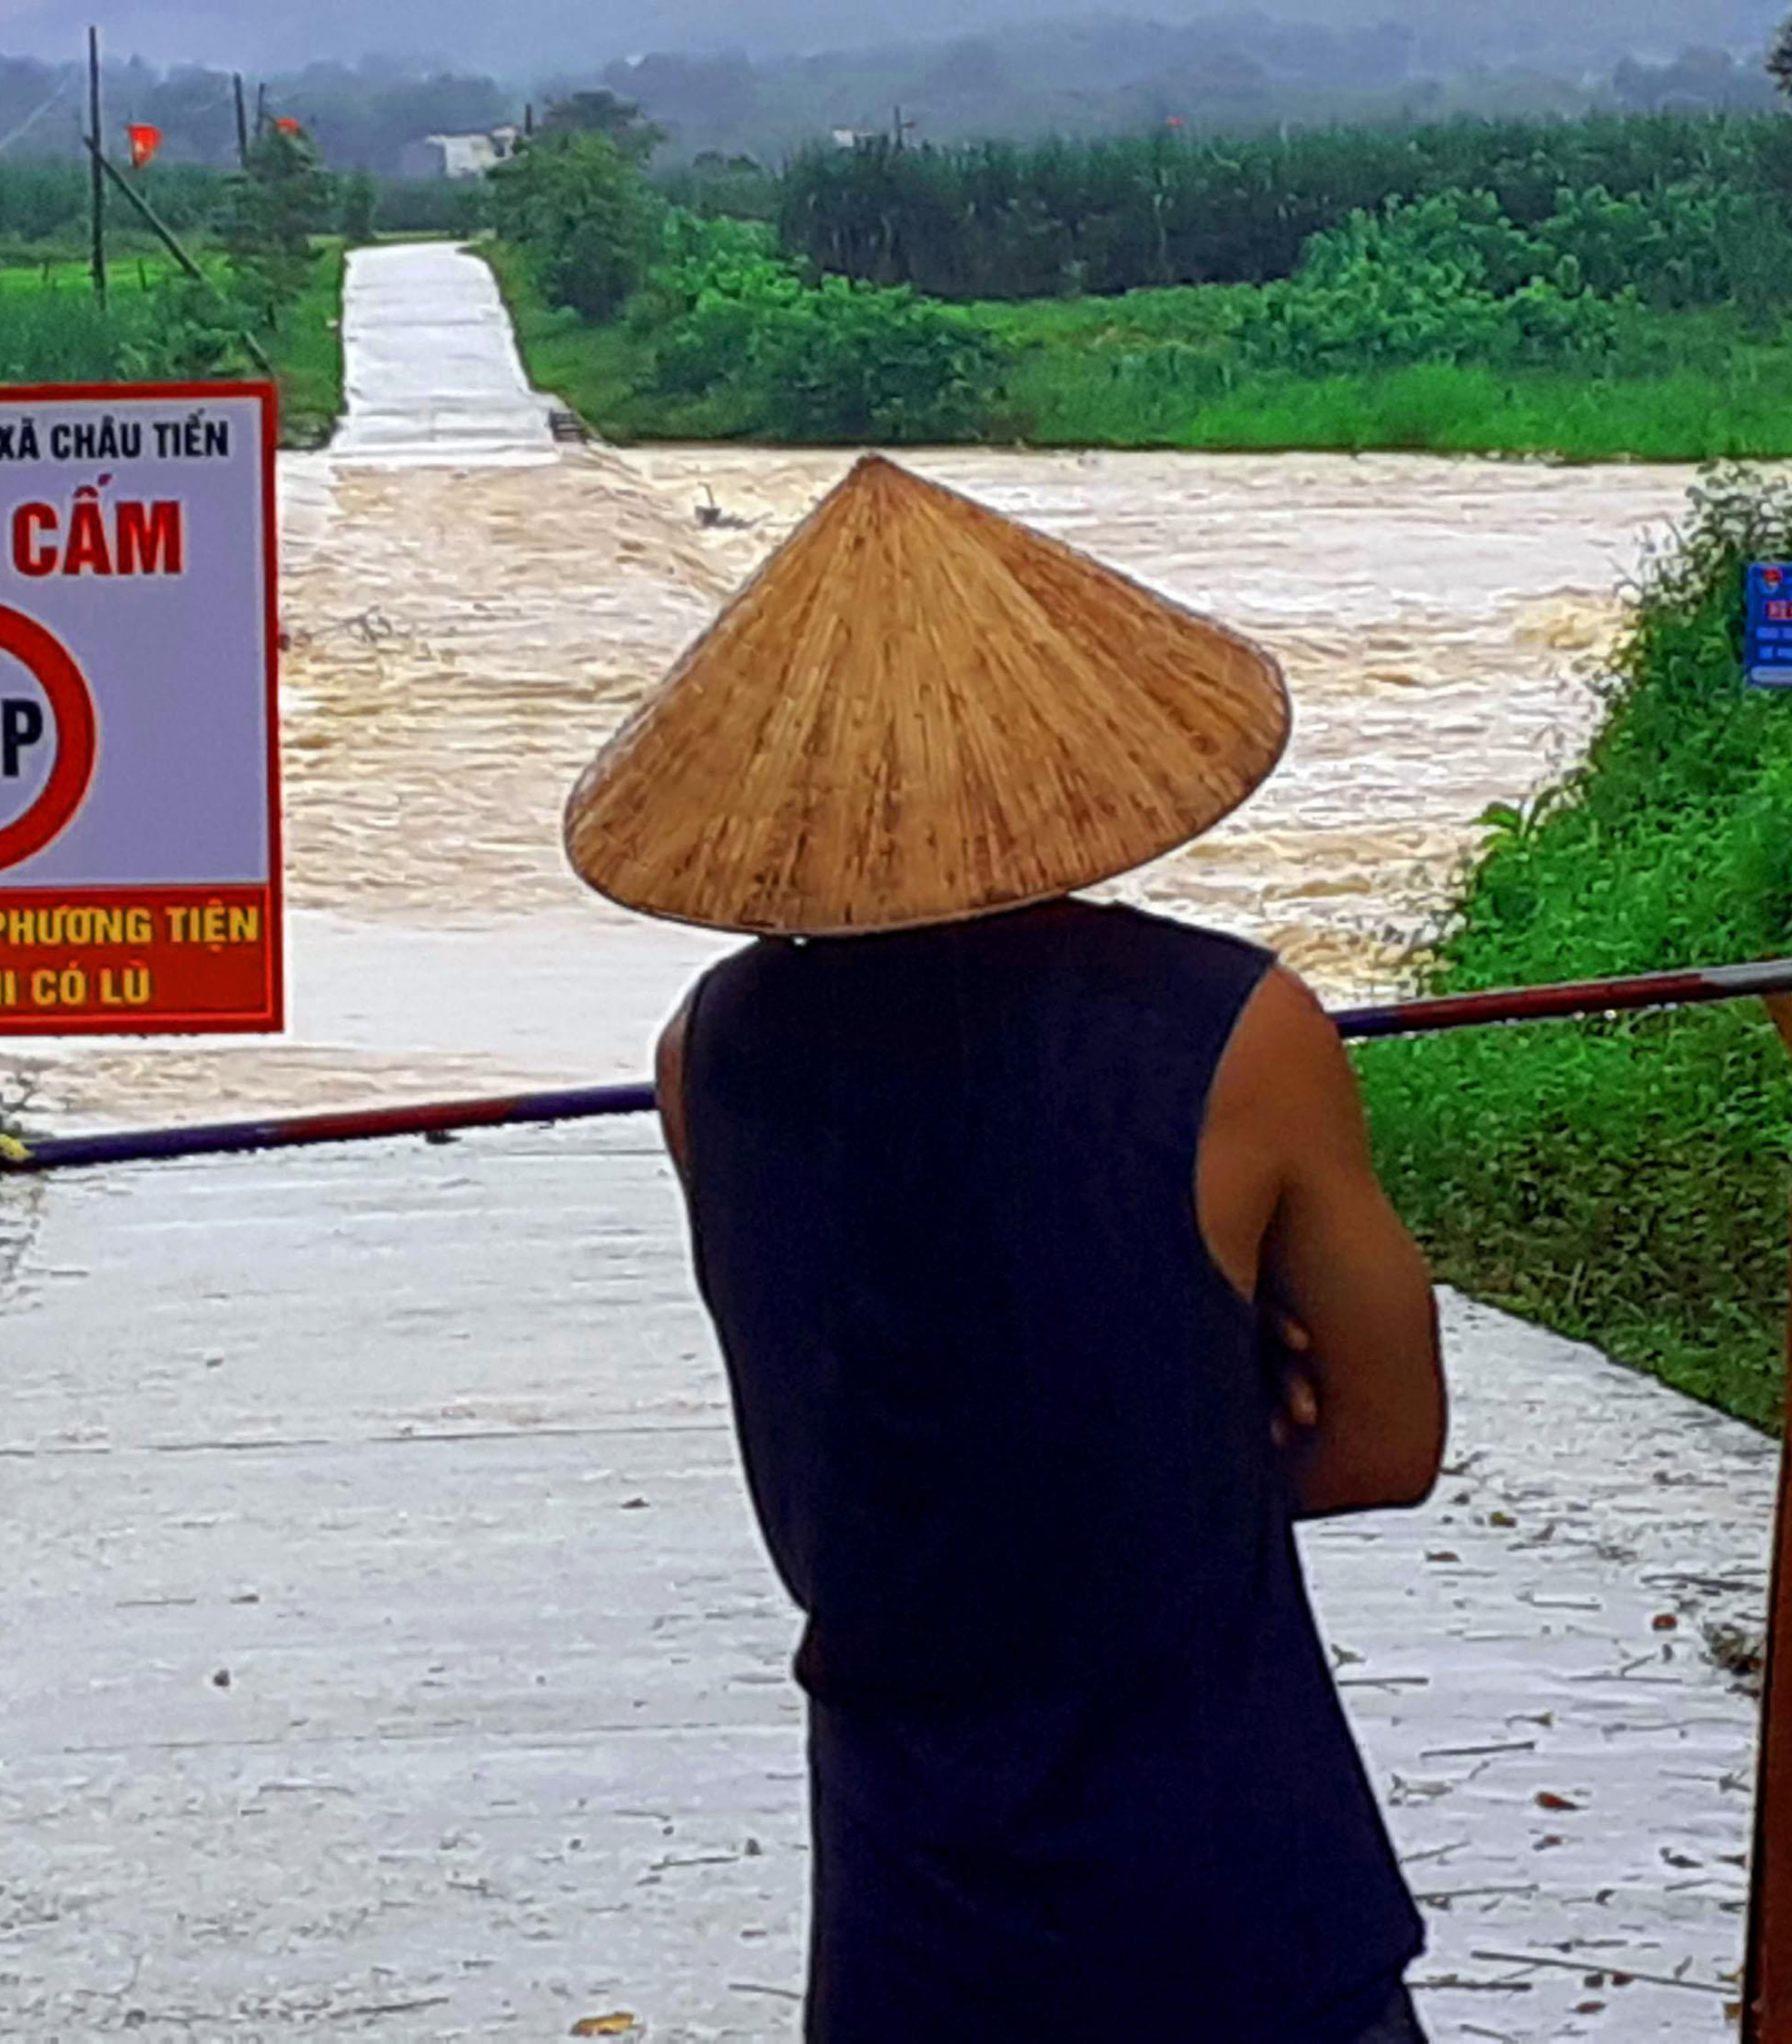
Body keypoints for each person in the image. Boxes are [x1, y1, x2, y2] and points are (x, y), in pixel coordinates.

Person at [562, 457, 1447, 2043]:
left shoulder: (712, 1053)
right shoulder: (1235, 1032)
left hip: (914, 1927)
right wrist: (1200, 1437)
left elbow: (855, 1424)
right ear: (1072, 753)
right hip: (1234, 1899)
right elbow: (1385, 1443)